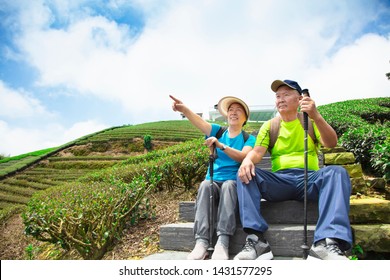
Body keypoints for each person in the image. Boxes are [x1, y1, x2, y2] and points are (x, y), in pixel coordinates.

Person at [234, 80, 353, 260]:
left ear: (300, 99)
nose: (281, 99)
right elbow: (258, 152)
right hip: (280, 181)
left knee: (337, 172)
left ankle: (327, 243)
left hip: (310, 179)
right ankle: (256, 240)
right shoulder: (270, 125)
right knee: (246, 174)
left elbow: (331, 143)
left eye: (286, 94)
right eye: (278, 96)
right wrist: (247, 160)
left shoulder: (311, 121)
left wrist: (316, 116)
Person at [170, 94, 256, 260]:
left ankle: (223, 241)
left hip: (233, 181)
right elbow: (199, 123)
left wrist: (221, 146)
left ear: (245, 118)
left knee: (229, 186)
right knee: (204, 185)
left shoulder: (248, 138)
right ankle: (201, 241)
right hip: (214, 179)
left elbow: (243, 156)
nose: (234, 112)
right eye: (231, 110)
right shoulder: (218, 130)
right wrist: (184, 109)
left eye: (239, 110)